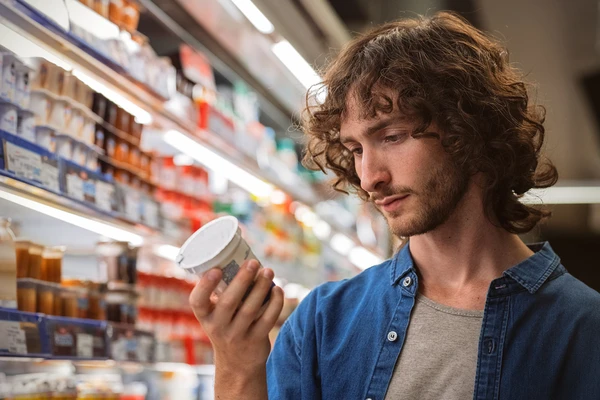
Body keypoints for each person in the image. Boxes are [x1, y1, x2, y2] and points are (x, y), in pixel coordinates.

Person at [189, 11, 600, 400]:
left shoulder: (583, 330)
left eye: (392, 136)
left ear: (468, 132)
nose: (370, 178)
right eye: (354, 149)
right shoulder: (322, 322)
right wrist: (238, 366)